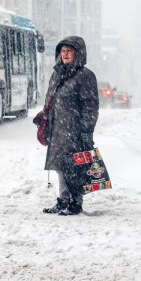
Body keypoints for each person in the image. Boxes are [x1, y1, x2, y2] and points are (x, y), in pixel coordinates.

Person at [38, 36, 99, 216]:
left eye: (69, 51)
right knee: (60, 166)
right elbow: (50, 99)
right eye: (63, 51)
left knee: (74, 167)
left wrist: (86, 130)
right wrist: (45, 117)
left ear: (77, 54)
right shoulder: (56, 74)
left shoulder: (85, 76)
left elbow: (90, 106)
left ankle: (76, 203)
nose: (65, 54)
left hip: (74, 130)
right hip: (57, 129)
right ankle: (63, 200)